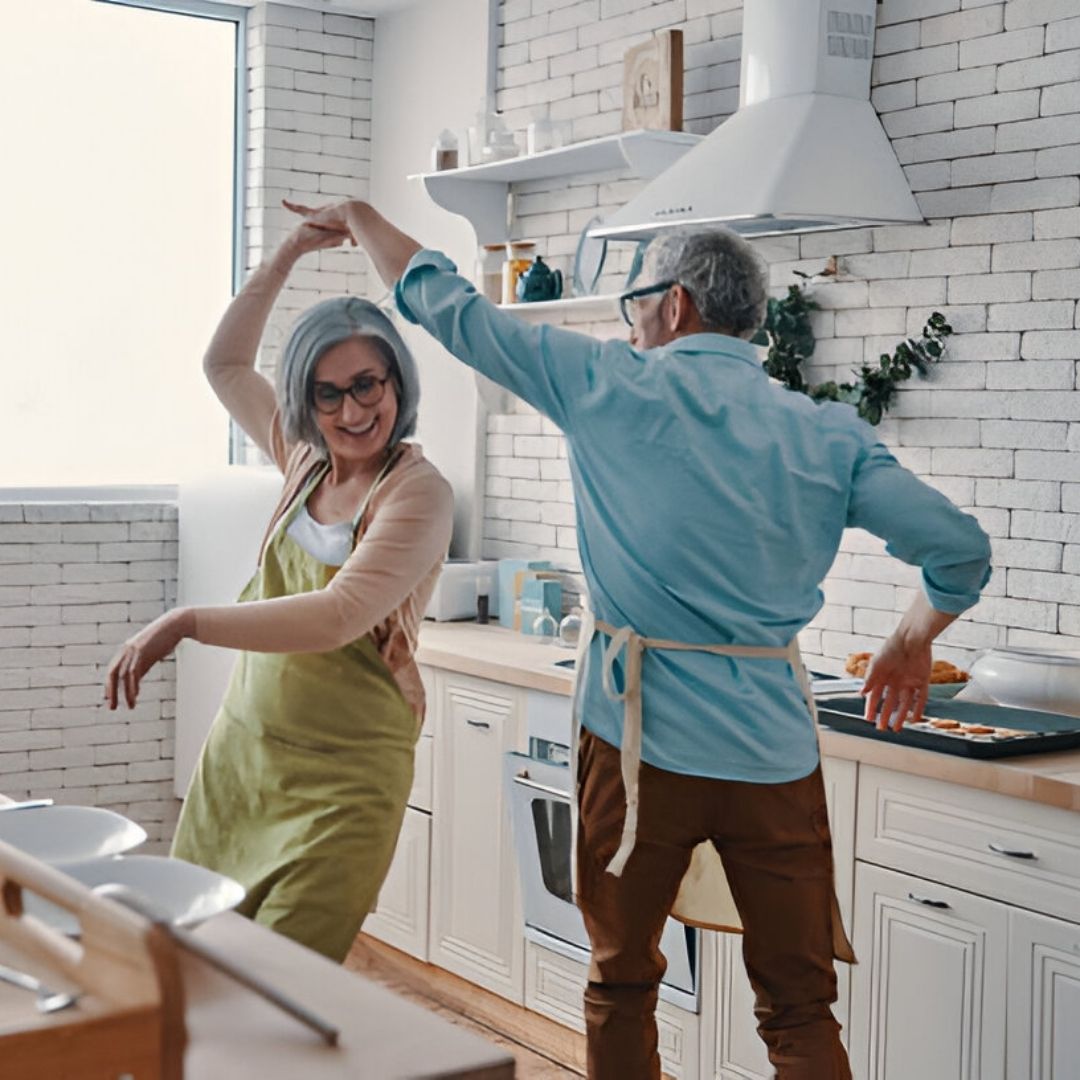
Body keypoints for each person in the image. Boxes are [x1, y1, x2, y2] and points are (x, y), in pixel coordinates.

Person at [285, 198, 991, 1078]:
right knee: (800, 1008)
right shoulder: (824, 431)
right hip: (771, 756)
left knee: (621, 984)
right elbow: (960, 553)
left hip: (634, 749)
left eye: (633, 303)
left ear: (676, 303)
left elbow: (448, 306)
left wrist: (361, 218)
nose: (630, 323)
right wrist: (912, 638)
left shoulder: (605, 383)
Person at [103, 212, 453, 963]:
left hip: (344, 784)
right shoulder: (305, 460)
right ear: (306, 401)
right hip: (243, 761)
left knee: (281, 981)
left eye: (368, 384)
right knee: (191, 966)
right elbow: (224, 365)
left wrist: (187, 622)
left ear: (396, 381)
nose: (353, 411)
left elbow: (339, 615)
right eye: (328, 395)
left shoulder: (416, 494)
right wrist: (289, 251)